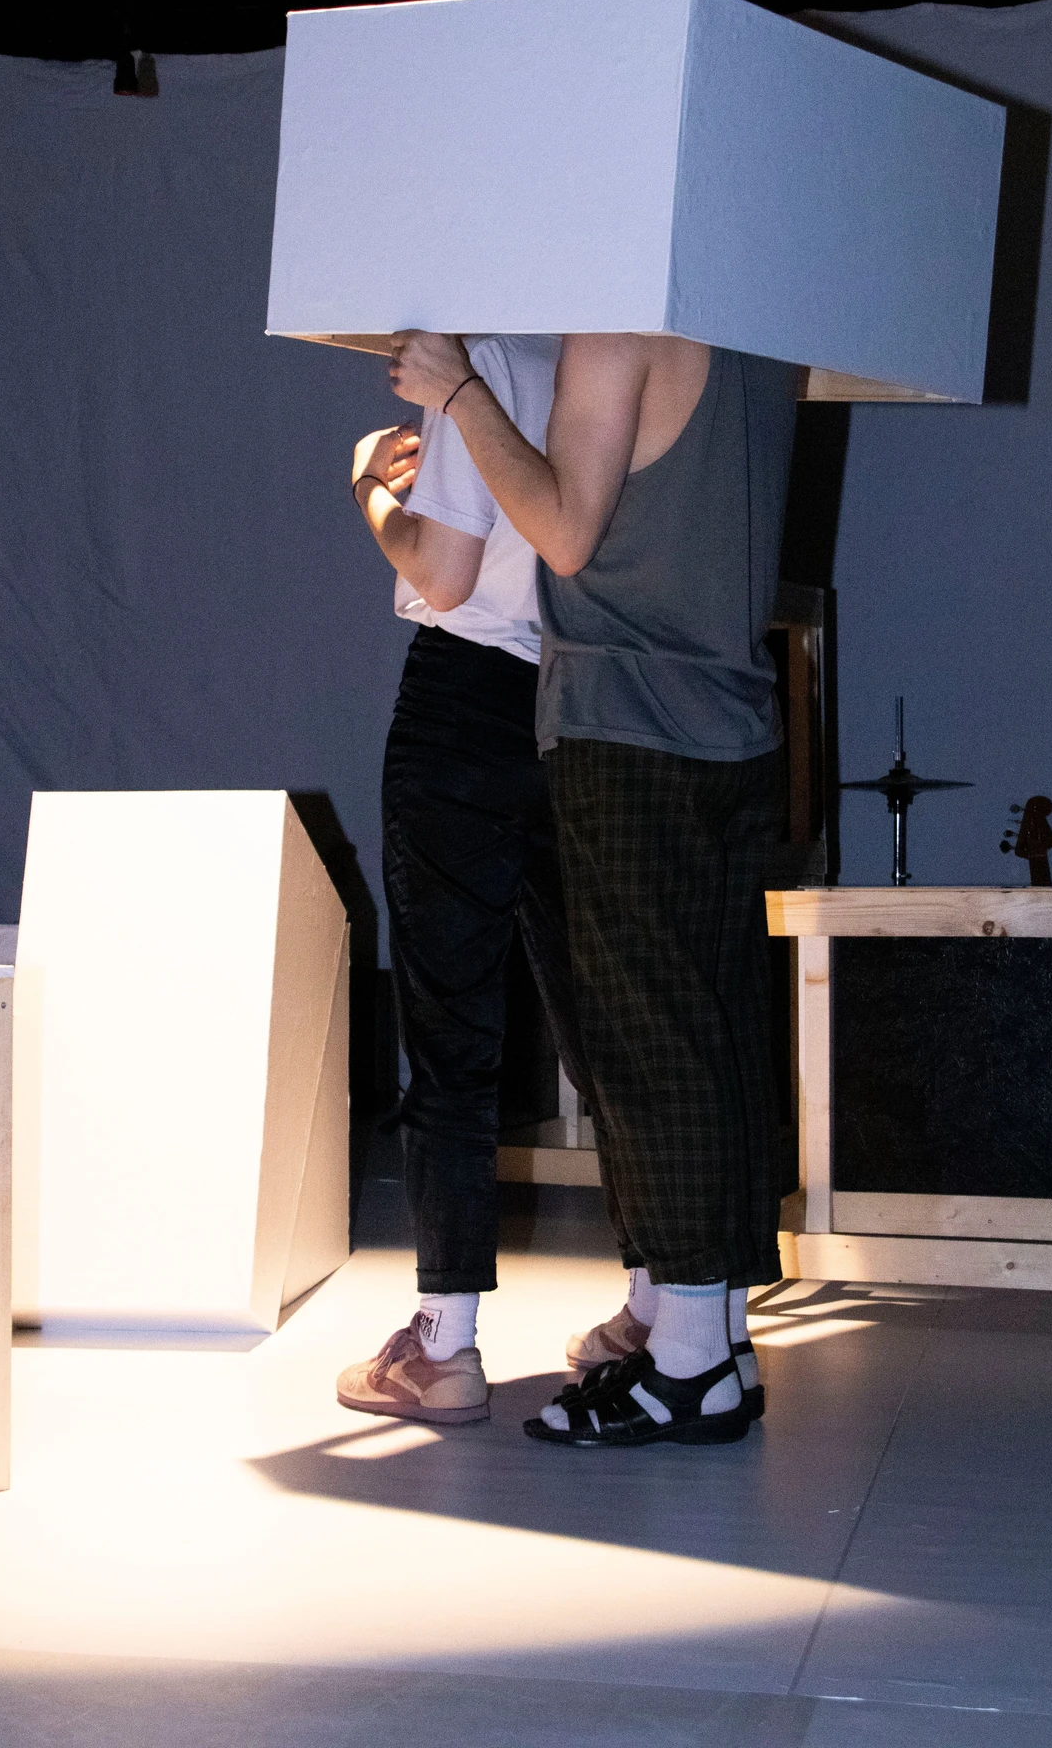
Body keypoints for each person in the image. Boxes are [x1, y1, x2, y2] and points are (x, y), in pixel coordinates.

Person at [386, 330, 798, 1450]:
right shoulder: (764, 333)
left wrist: (460, 398)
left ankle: (687, 1366)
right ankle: (708, 1340)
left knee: (648, 1042)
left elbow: (564, 536)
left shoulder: (611, 330)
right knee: (711, 1032)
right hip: (730, 707)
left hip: (625, 712)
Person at [335, 335, 586, 1426]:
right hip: (584, 698)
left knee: (450, 1022)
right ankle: (658, 1308)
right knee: (605, 1015)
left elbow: (441, 572)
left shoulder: (474, 354)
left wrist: (367, 488)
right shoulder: (611, 350)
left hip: (465, 698)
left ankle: (444, 1342)